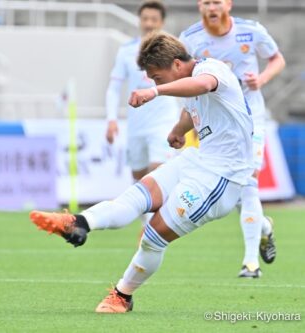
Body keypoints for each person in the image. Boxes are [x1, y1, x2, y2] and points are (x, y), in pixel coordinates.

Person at [30, 32, 254, 313]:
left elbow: (202, 85)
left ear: (176, 64)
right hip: (197, 160)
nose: (154, 82)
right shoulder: (187, 80)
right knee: (135, 197)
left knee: (153, 236)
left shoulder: (211, 69)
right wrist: (178, 130)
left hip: (222, 178)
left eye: (157, 77)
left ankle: (122, 295)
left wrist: (155, 92)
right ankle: (79, 222)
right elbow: (192, 106)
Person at [179, 0, 285, 278]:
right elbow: (184, 80)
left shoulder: (251, 31)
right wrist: (183, 125)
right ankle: (263, 227)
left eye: (217, 1)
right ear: (199, 6)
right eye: (206, 2)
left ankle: (251, 263)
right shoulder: (189, 39)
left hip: (251, 118)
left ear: (228, 4)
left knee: (249, 180)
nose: (211, 7)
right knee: (232, 189)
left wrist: (260, 80)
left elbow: (277, 59)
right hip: (215, 124)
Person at [106, 1, 178, 183]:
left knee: (157, 171)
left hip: (164, 122)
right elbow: (114, 88)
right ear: (139, 21)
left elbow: (187, 82)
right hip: (136, 124)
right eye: (145, 19)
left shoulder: (175, 50)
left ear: (162, 22)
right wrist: (111, 119)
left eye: (153, 19)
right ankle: (149, 212)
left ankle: (161, 212)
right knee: (138, 176)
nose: (149, 24)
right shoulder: (126, 51)